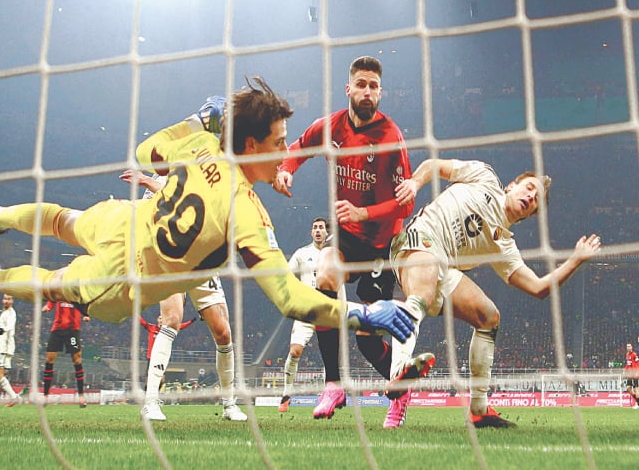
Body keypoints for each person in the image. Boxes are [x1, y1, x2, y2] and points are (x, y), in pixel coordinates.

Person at [0, 78, 417, 411]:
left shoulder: (202, 146)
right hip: (123, 280)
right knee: (51, 282)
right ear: (253, 145)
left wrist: (197, 121)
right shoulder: (247, 213)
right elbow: (289, 298)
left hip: (123, 220)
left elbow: (145, 152)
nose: (285, 153)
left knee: (61, 218)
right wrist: (359, 313)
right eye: (278, 143)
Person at [273, 56, 433, 424]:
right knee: (324, 276)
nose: (367, 92)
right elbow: (298, 147)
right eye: (361, 84)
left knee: (366, 336)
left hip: (382, 241)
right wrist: (285, 171)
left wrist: (365, 213)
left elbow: (405, 203)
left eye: (374, 86)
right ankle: (333, 384)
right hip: (346, 235)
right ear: (349, 89)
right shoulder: (330, 126)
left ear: (381, 93)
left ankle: (397, 388)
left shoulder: (391, 138)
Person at [390, 157, 601, 427]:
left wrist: (575, 260)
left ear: (528, 215)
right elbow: (435, 165)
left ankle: (479, 410)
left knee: (489, 317)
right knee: (424, 290)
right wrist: (414, 183)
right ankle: (398, 372)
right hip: (418, 241)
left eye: (535, 199)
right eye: (528, 188)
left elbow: (538, 288)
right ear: (512, 185)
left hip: (443, 266)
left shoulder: (504, 247)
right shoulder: (485, 177)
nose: (530, 196)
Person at [121, 168, 247, 422]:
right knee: (171, 319)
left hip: (200, 259)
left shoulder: (196, 178)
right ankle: (151, 402)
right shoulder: (153, 186)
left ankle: (229, 404)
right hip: (170, 258)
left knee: (223, 333)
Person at [278, 217, 328, 413]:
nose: (317, 230)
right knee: (295, 351)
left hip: (328, 310)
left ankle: (326, 396)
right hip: (306, 310)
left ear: (326, 232)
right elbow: (287, 276)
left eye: (321, 228)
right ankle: (286, 393)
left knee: (329, 357)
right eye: (314, 227)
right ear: (311, 232)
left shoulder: (336, 253)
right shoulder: (302, 253)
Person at [138, 310, 197, 413]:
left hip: (161, 358)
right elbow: (142, 321)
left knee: (162, 380)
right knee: (150, 379)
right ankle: (148, 398)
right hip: (151, 358)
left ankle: (153, 396)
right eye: (160, 318)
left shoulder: (167, 331)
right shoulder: (151, 328)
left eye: (163, 318)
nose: (161, 320)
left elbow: (180, 326)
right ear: (157, 320)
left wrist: (191, 321)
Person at [42, 300, 90, 408]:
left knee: (77, 360)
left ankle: (81, 396)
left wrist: (86, 314)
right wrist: (49, 306)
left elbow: (86, 301)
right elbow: (52, 297)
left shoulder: (76, 292)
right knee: (49, 359)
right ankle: (45, 396)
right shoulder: (60, 290)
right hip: (57, 330)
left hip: (72, 330)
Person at [624, 342, 639, 409]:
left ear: (632, 347)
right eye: (627, 346)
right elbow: (628, 364)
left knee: (636, 389)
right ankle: (637, 400)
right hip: (630, 374)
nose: (628, 347)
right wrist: (625, 370)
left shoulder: (634, 355)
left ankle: (637, 404)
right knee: (628, 388)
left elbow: (638, 363)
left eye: (629, 346)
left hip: (635, 373)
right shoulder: (627, 355)